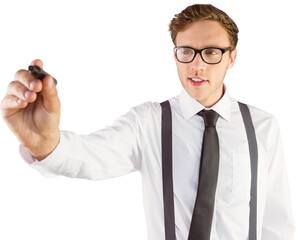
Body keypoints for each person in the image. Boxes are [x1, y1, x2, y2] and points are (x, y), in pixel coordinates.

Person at [1, 3, 295, 240]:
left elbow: (277, 224)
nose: (197, 64)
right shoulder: (150, 122)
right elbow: (93, 155)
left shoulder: (262, 126)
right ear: (176, 54)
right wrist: (44, 144)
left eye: (211, 52)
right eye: (186, 52)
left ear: (231, 59)